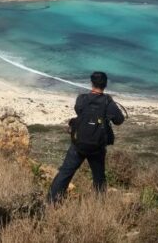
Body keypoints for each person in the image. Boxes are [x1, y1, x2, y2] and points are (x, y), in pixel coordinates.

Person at [47, 71, 125, 203]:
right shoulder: (108, 102)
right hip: (97, 147)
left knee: (65, 173)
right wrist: (110, 104)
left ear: (91, 83)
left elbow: (78, 110)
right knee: (99, 177)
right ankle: (99, 205)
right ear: (105, 85)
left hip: (78, 144)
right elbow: (119, 120)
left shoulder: (82, 99)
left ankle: (51, 202)